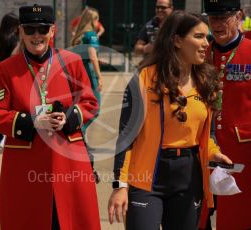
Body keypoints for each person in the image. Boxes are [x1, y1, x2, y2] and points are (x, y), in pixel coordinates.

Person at [107, 11, 233, 230]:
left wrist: (214, 152)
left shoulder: (207, 81)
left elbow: (208, 134)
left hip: (189, 176)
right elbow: (126, 138)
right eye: (199, 37)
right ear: (176, 40)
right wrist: (120, 185)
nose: (206, 43)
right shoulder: (144, 79)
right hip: (145, 177)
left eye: (207, 37)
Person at [0, 4, 101, 230]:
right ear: (20, 31)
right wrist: (31, 122)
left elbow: (90, 102)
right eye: (30, 29)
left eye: (42, 29)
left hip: (68, 161)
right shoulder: (6, 70)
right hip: (25, 165)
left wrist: (69, 118)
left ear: (52, 31)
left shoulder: (72, 61)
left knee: (71, 221)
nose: (36, 35)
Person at [200, 0, 251, 229]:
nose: (217, 24)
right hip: (202, 147)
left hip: (241, 150)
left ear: (238, 16)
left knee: (236, 218)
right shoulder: (201, 53)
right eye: (213, 18)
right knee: (197, 215)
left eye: (223, 18)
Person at [71, 7, 103, 140]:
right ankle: (78, 131)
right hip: (89, 74)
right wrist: (99, 76)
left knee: (82, 105)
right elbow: (92, 56)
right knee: (95, 108)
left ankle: (80, 136)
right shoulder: (91, 35)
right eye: (97, 20)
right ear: (93, 20)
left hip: (79, 74)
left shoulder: (80, 36)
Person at [0, 12, 20, 148]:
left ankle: (0, 137)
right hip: (11, 73)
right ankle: (3, 137)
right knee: (12, 106)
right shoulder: (14, 40)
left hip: (0, 72)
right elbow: (15, 56)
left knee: (1, 105)